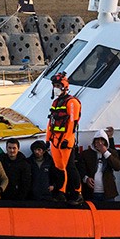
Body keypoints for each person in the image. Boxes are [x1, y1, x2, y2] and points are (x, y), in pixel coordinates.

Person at [45, 72, 83, 203]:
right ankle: (61, 192)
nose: (55, 88)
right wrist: (47, 139)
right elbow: (51, 122)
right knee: (59, 167)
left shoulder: (72, 102)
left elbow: (72, 123)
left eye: (57, 85)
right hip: (55, 139)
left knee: (70, 167)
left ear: (64, 86)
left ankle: (77, 193)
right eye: (54, 85)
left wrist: (66, 139)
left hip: (66, 140)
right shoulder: (56, 102)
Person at [80, 130, 120, 202]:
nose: (99, 143)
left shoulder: (112, 153)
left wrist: (105, 153)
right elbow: (80, 169)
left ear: (106, 142)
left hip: (108, 194)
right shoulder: (86, 154)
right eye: (97, 141)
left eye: (102, 141)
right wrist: (86, 179)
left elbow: (117, 167)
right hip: (91, 194)